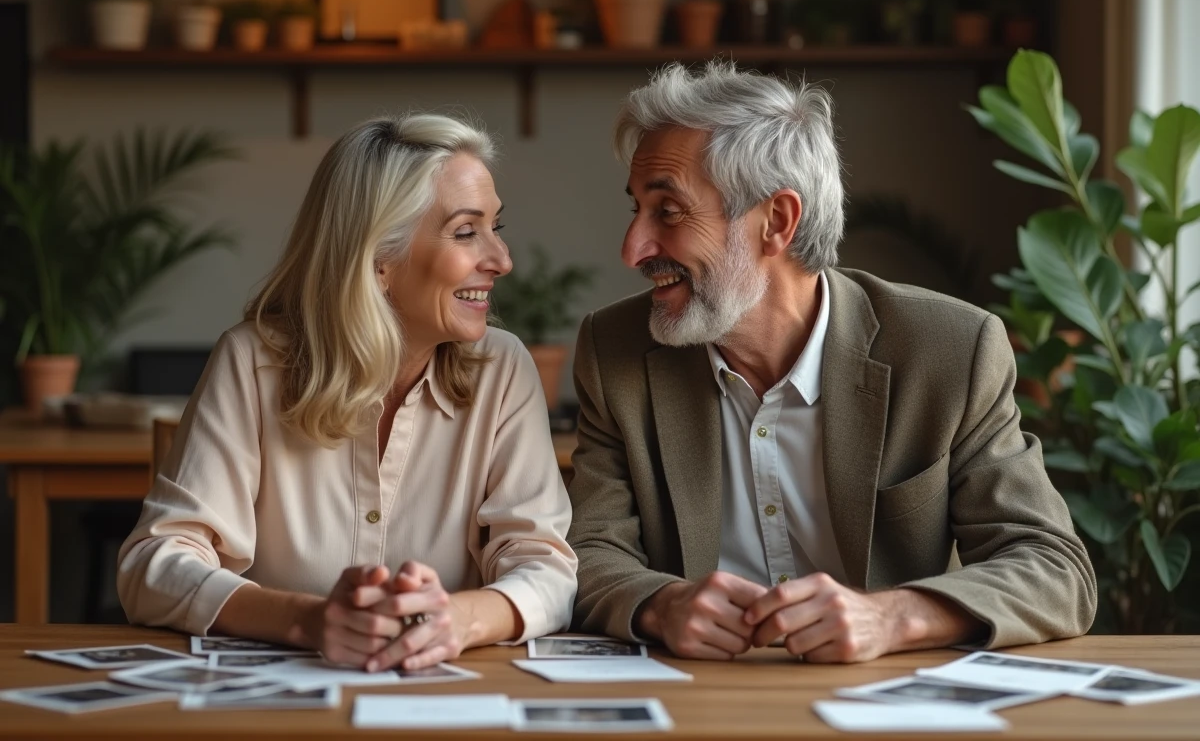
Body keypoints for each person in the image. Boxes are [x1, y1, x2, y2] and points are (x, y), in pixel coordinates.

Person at [567, 62, 1096, 663]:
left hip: (883, 699)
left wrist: (893, 617)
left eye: (668, 211)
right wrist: (660, 604)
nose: (633, 247)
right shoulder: (615, 350)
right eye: (635, 209)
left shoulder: (950, 349)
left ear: (777, 222)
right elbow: (586, 549)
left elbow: (1054, 569)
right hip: (699, 697)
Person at [118, 114, 577, 672]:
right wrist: (307, 620)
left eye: (495, 227)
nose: (501, 260)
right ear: (379, 259)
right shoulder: (252, 361)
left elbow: (547, 569)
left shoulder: (503, 370)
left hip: (450, 698)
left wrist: (458, 620)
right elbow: (154, 564)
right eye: (465, 232)